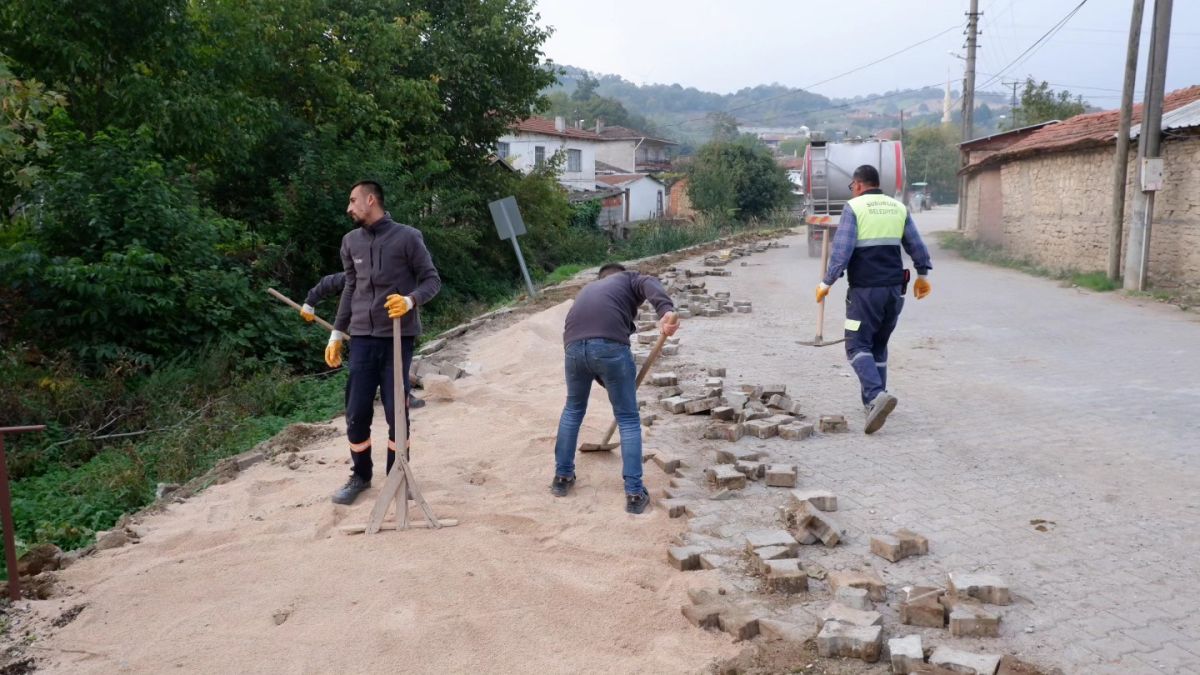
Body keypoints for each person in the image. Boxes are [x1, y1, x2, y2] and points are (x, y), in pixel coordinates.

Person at [325, 180, 441, 505]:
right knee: (356, 412)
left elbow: (432, 280)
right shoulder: (350, 242)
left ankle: (397, 476)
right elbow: (350, 288)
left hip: (397, 339)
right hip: (361, 339)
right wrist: (337, 332)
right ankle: (361, 475)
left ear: (370, 199)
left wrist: (410, 301)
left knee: (396, 413)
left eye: (353, 200)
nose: (348, 208)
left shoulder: (407, 237)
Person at [550, 263, 679, 514]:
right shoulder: (628, 278)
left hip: (574, 350)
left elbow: (592, 354)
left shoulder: (588, 290)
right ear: (619, 275)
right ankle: (634, 493)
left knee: (573, 410)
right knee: (628, 418)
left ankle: (562, 478)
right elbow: (649, 281)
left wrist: (610, 378)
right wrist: (666, 309)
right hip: (609, 347)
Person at [816, 164, 932, 435]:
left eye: (852, 187)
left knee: (856, 345)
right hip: (894, 291)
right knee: (878, 345)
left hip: (866, 291)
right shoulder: (898, 207)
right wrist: (923, 275)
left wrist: (826, 282)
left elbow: (842, 251)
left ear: (857, 185)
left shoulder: (854, 208)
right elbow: (917, 245)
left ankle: (876, 394)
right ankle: (873, 403)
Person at [301, 272, 425, 409]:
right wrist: (309, 303)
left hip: (392, 332)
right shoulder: (358, 277)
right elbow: (327, 282)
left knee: (396, 366)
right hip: (361, 330)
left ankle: (403, 397)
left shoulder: (397, 281)